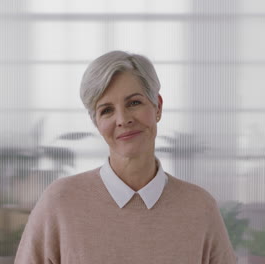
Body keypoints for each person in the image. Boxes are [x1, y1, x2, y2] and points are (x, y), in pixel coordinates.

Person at [14, 50, 236, 264]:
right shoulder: (60, 203)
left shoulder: (200, 208)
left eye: (134, 103)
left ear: (157, 106)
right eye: (106, 110)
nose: (122, 119)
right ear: (97, 124)